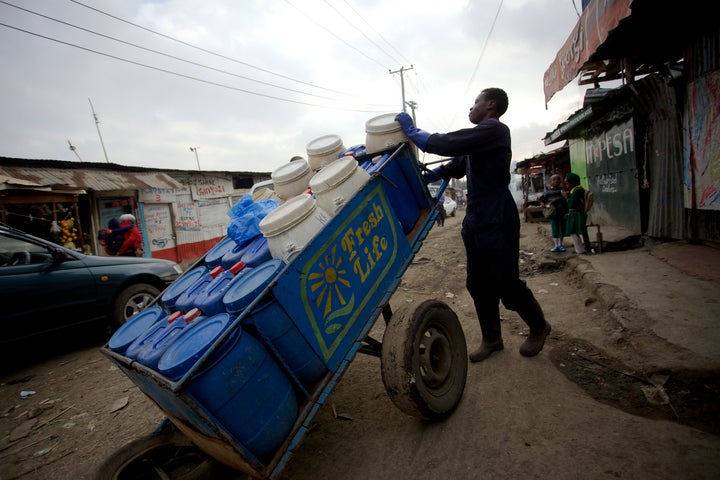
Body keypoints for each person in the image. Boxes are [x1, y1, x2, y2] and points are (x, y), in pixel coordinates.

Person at [395, 88, 551, 363]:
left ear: (490, 105)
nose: (472, 107)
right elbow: (452, 167)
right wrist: (421, 176)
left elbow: (442, 144)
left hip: (498, 217)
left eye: (476, 102)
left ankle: (539, 326)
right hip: (477, 219)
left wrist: (412, 131)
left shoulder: (494, 130)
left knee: (507, 283)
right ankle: (492, 339)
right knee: (478, 284)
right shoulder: (478, 143)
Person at [539, 174, 568, 252]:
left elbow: (566, 199)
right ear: (551, 182)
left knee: (561, 228)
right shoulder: (547, 192)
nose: (556, 181)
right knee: (554, 228)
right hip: (553, 213)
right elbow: (541, 200)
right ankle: (556, 245)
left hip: (562, 212)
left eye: (558, 179)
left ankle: (560, 245)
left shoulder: (563, 190)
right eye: (554, 179)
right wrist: (542, 204)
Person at [564, 173, 588, 254]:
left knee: (574, 231)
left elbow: (572, 203)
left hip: (576, 213)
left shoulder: (577, 190)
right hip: (575, 213)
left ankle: (580, 249)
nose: (566, 185)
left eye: (567, 183)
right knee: (576, 231)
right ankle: (581, 248)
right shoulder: (576, 190)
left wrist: (566, 197)